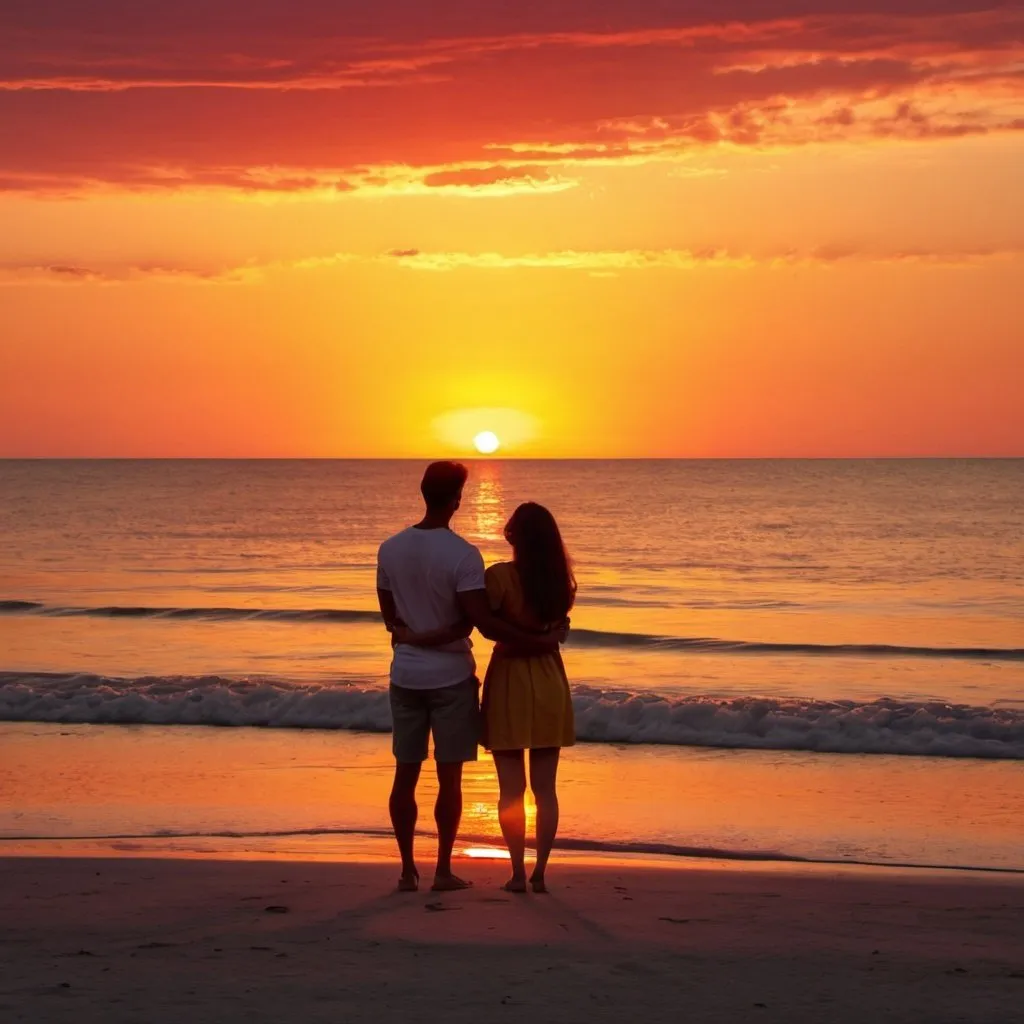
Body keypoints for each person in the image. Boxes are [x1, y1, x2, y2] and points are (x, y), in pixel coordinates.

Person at [376, 462, 562, 894]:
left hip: (405, 674)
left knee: (404, 774)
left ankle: (407, 871)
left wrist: (414, 636)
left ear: (423, 493)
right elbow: (481, 624)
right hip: (451, 677)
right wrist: (541, 641)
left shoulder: (390, 549)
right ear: (457, 499)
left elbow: (390, 617)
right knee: (449, 778)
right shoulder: (462, 555)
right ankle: (441, 870)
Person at [480, 503, 576, 893]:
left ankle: (517, 871)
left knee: (510, 789)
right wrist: (544, 637)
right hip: (550, 679)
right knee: (546, 789)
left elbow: (486, 624)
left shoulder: (499, 577)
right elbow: (558, 628)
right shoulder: (560, 583)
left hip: (509, 680)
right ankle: (540, 872)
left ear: (512, 535)